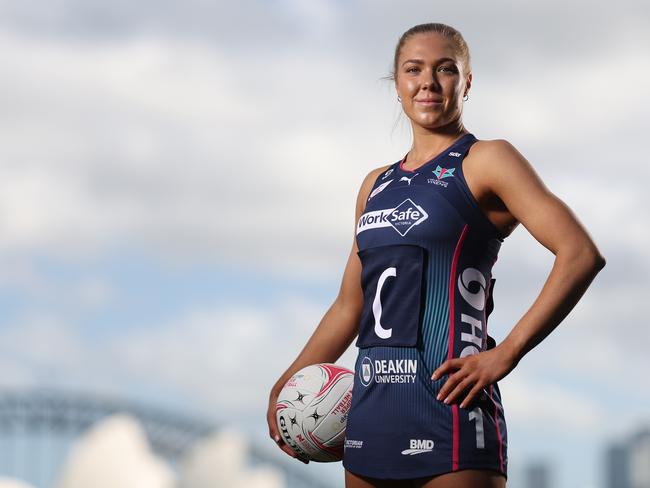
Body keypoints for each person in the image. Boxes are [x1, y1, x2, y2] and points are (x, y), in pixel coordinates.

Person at [266, 22, 606, 488]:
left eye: (445, 69)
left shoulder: (487, 160)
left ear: (466, 82)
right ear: (398, 84)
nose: (428, 81)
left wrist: (506, 352)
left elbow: (580, 253)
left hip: (452, 414)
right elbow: (350, 305)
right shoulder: (375, 184)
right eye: (414, 69)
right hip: (369, 419)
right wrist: (287, 383)